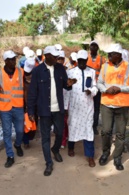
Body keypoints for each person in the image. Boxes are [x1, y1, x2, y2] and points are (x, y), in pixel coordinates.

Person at [27, 45, 76, 176]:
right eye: (54, 56)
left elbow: (66, 85)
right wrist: (30, 111)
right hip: (44, 110)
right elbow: (32, 92)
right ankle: (48, 163)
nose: (56, 58)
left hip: (58, 109)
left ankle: (55, 150)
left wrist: (69, 84)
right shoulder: (37, 71)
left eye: (57, 56)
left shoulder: (60, 69)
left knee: (60, 133)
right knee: (45, 137)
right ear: (46, 55)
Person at [97, 43, 129, 171]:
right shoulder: (104, 66)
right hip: (106, 104)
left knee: (120, 133)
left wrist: (119, 88)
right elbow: (99, 83)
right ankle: (105, 153)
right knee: (105, 131)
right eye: (108, 54)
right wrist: (106, 89)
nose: (108, 56)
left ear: (119, 55)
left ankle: (117, 157)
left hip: (122, 105)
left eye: (111, 54)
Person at [66, 49, 98, 167]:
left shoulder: (92, 72)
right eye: (79, 60)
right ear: (77, 60)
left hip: (88, 106)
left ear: (86, 60)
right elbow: (66, 90)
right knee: (72, 126)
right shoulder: (71, 72)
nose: (81, 63)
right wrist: (65, 107)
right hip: (74, 106)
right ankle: (71, 147)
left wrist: (92, 91)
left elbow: (95, 86)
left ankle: (90, 156)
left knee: (88, 130)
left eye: (83, 61)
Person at [0, 50, 24, 168]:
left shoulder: (21, 72)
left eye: (14, 59)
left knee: (20, 131)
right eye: (10, 59)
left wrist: (27, 106)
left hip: (18, 106)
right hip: (4, 108)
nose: (13, 61)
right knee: (7, 132)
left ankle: (17, 144)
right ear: (5, 61)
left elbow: (25, 89)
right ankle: (10, 156)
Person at [87, 40, 105, 135]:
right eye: (91, 46)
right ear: (89, 48)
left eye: (95, 46)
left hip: (97, 86)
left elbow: (104, 73)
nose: (93, 48)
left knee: (96, 107)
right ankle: (87, 125)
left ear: (97, 48)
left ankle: (94, 126)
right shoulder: (86, 58)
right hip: (88, 86)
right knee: (87, 106)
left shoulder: (102, 59)